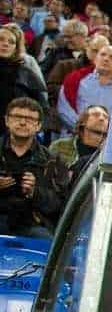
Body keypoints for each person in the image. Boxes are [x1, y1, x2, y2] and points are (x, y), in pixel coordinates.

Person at [0, 98, 68, 238]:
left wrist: (34, 192)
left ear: (39, 125)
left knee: (45, 239)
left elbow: (60, 205)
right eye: (17, 117)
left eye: (30, 119)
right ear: (7, 120)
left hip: (33, 224)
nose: (23, 122)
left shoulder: (53, 161)